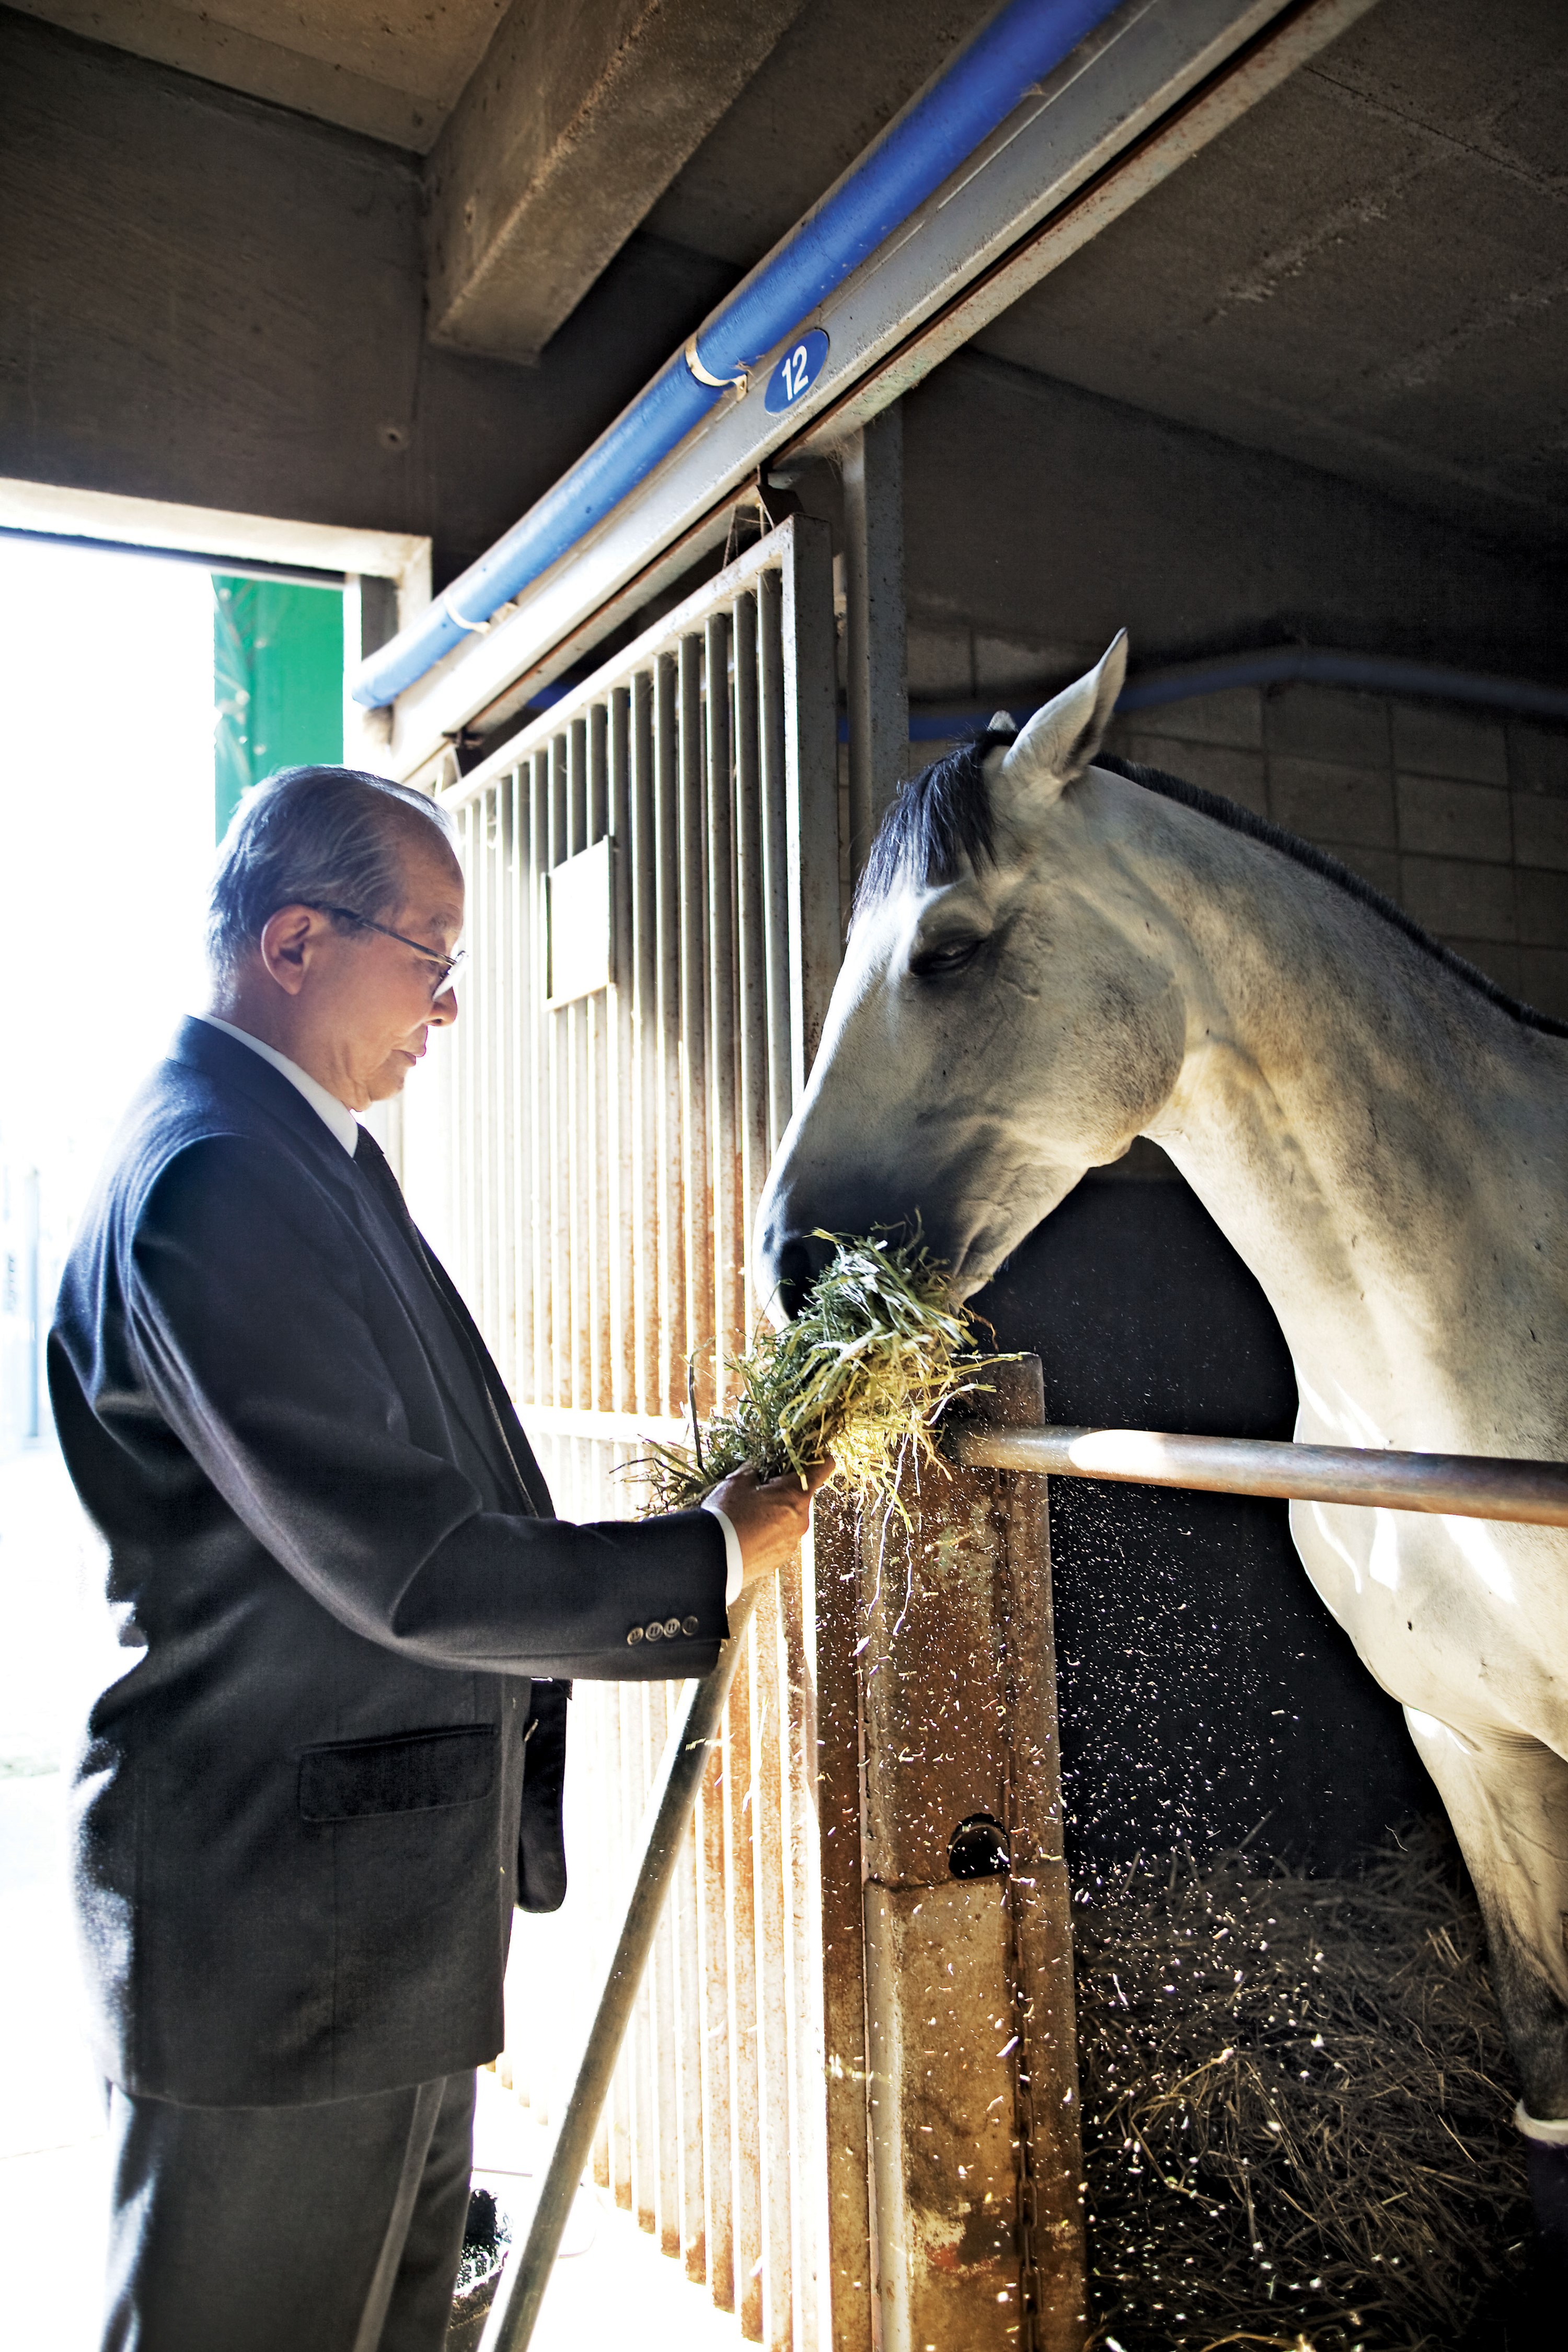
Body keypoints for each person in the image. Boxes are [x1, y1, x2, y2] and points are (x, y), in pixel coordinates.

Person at [48, 766, 827, 2352]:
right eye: (434, 955)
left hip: (365, 1923)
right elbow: (404, 1562)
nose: (452, 1007)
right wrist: (703, 1552)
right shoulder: (214, 1178)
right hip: (281, 1943)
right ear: (292, 941)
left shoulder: (304, 1154)